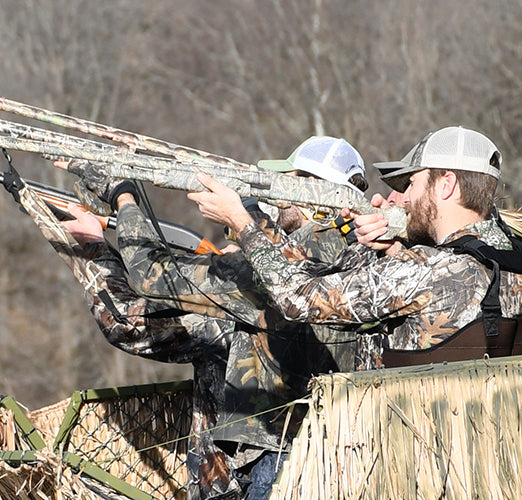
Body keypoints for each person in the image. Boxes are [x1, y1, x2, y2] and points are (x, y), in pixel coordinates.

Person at [57, 136, 367, 499]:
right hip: (339, 456)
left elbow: (148, 275)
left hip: (275, 461)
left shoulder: (278, 268)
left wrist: (123, 195)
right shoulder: (359, 255)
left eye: (289, 181)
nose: (279, 198)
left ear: (313, 189)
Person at [188, 126, 522, 371]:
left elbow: (298, 300)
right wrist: (390, 251)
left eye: (412, 183)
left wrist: (243, 224)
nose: (403, 198)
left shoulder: (426, 271)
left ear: (446, 184)